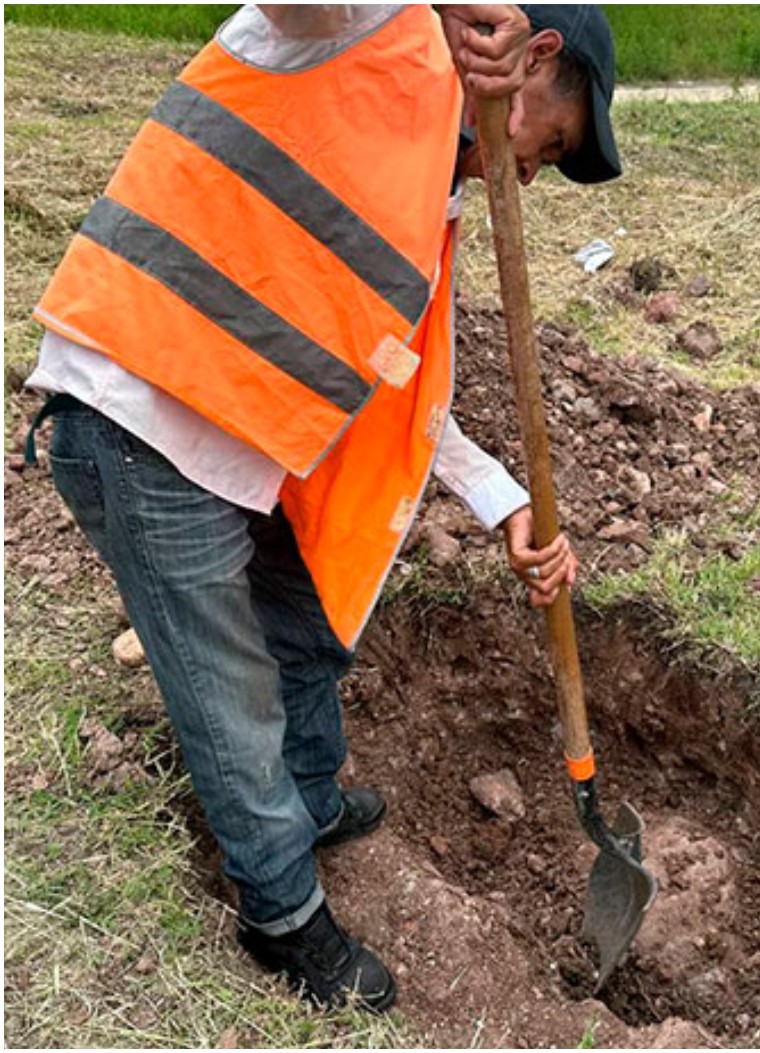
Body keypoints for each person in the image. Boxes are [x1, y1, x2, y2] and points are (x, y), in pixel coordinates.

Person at [23, 3, 621, 1013]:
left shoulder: (421, 194)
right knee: (230, 696)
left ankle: (306, 798)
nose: (526, 175)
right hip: (141, 421)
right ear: (531, 58)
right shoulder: (359, 26)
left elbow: (405, 395)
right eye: (547, 142)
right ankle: (281, 913)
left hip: (240, 447)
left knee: (304, 630)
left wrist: (503, 503)